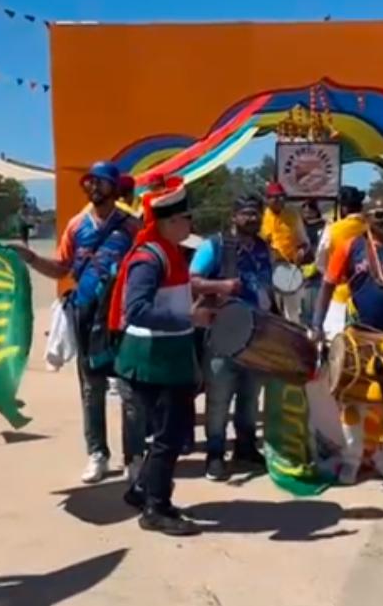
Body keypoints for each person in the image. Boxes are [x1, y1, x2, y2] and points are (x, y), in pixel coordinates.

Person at [7, 160, 143, 484]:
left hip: (122, 318)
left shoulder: (132, 226)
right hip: (85, 315)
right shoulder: (76, 226)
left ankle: (134, 457)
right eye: (89, 183)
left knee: (129, 390)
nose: (93, 188)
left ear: (113, 186)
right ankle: (97, 454)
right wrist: (31, 259)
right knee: (91, 389)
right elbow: (61, 268)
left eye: (100, 182)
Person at [107, 179, 210, 535]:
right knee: (169, 436)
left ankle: (142, 490)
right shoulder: (149, 258)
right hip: (154, 363)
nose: (190, 224)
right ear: (167, 222)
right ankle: (156, 507)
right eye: (185, 217)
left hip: (169, 360)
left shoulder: (169, 252)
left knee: (169, 433)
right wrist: (188, 319)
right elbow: (134, 309)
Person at [313, 196, 383, 485]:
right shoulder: (351, 247)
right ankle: (352, 460)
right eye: (378, 214)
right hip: (358, 338)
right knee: (355, 401)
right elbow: (326, 286)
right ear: (365, 217)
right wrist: (316, 324)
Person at [189, 194, 273, 481]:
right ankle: (215, 454)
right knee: (218, 399)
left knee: (250, 399)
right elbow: (191, 280)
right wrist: (221, 285)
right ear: (234, 216)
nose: (253, 218)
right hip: (222, 334)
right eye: (247, 213)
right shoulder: (215, 245)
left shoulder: (263, 248)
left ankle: (245, 448)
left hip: (257, 337)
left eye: (256, 213)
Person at [259, 181, 310, 322]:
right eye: (274, 197)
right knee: (268, 312)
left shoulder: (292, 215)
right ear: (267, 199)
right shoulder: (260, 218)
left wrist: (301, 251)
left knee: (293, 314)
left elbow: (304, 242)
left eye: (281, 197)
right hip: (266, 271)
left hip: (289, 270)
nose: (278, 200)